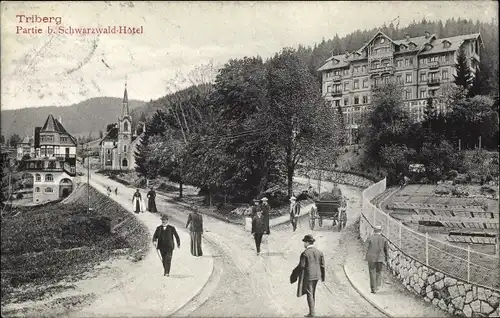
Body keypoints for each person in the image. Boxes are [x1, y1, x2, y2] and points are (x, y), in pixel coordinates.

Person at [290, 234, 325, 317]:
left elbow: (301, 266)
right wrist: (322, 277)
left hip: (308, 276)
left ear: (307, 242)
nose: (304, 244)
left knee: (309, 293)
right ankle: (312, 311)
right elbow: (322, 265)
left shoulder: (305, 253)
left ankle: (312, 313)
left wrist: (294, 273)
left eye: (304, 242)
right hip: (317, 276)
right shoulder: (319, 252)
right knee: (312, 293)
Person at [365, 225, 389, 294]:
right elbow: (386, 250)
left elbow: (366, 246)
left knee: (372, 272)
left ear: (374, 231)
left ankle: (373, 289)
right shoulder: (384, 239)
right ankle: (377, 285)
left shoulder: (370, 238)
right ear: (381, 231)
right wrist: (387, 259)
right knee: (378, 271)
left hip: (371, 258)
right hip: (380, 258)